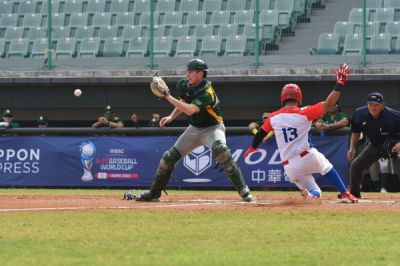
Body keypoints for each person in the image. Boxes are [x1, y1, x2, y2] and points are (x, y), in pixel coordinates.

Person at [129, 58, 253, 202]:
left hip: (212, 129)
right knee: (168, 158)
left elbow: (189, 110)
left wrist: (167, 97)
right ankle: (154, 193)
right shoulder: (184, 85)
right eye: (187, 71)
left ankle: (243, 190)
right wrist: (171, 116)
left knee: (221, 151)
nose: (188, 75)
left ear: (201, 74)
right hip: (194, 129)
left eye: (192, 72)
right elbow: (183, 103)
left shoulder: (208, 93)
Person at [244, 64, 358, 203]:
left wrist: (253, 148)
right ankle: (345, 193)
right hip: (306, 155)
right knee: (326, 166)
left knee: (315, 191)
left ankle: (311, 194)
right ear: (299, 98)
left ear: (283, 98)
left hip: (289, 167)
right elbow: (329, 104)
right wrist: (340, 83)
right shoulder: (305, 112)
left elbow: (260, 134)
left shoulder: (273, 117)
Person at [346, 92, 400, 198]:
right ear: (367, 104)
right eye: (371, 104)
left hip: (395, 144)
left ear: (383, 105)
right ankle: (354, 193)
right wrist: (352, 148)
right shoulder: (360, 113)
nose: (373, 107)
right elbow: (356, 131)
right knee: (356, 166)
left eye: (376, 104)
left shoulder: (393, 116)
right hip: (375, 145)